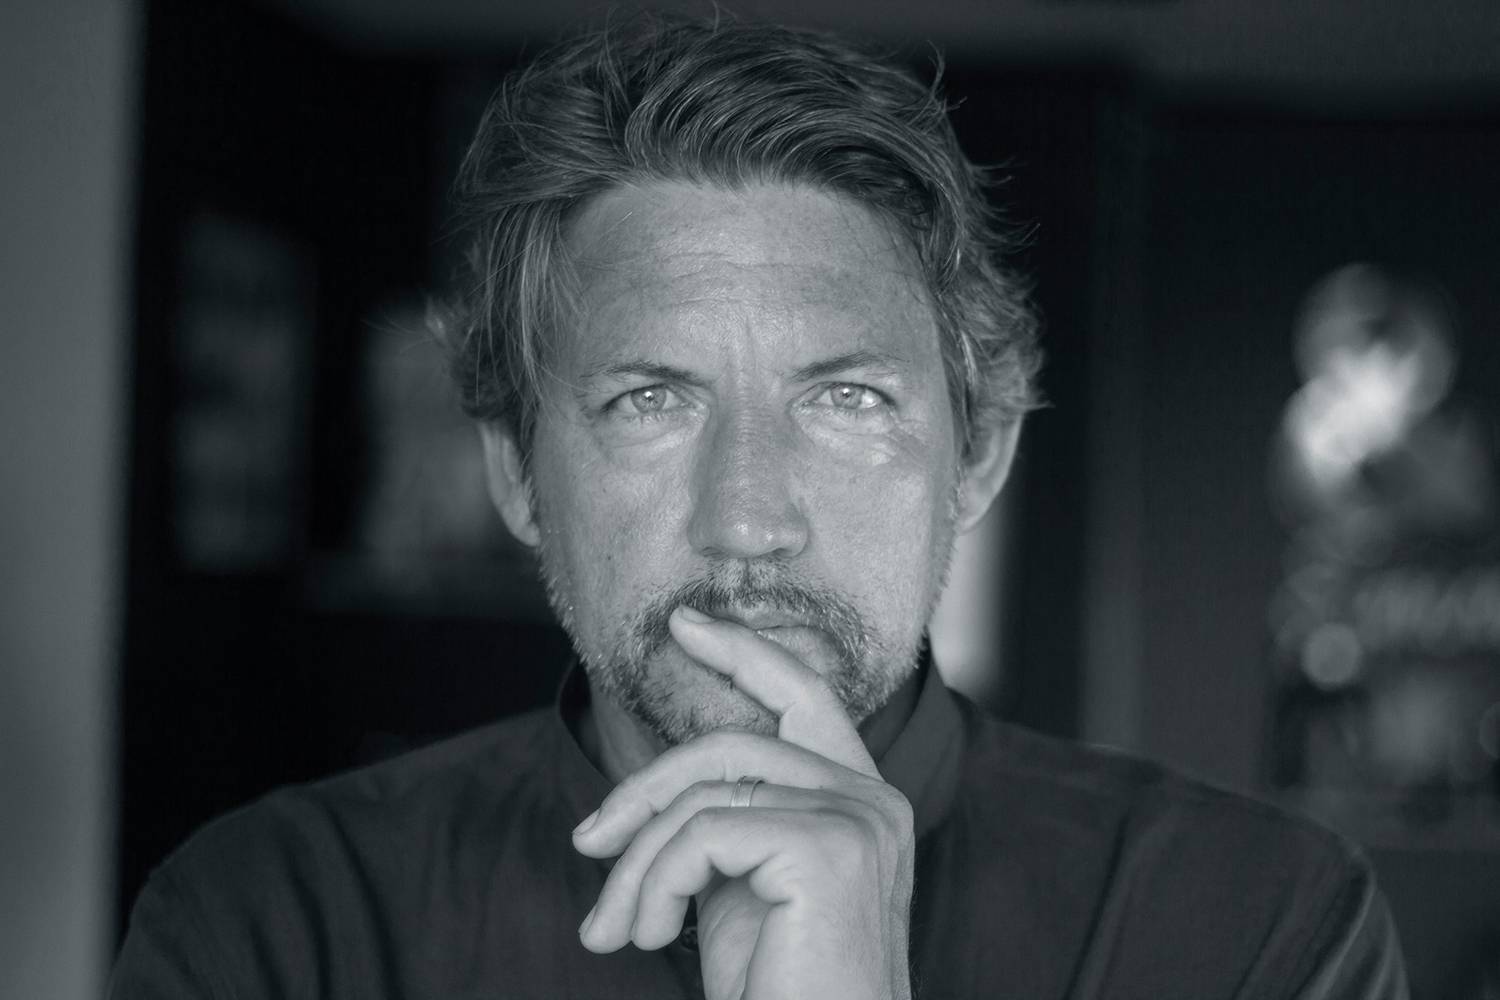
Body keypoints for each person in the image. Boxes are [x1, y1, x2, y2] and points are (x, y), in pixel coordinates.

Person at [110, 14, 1408, 999]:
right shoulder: (271, 925)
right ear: (515, 471)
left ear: (978, 459)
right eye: (650, 400)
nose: (746, 522)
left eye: (845, 399)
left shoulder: (1262, 930)